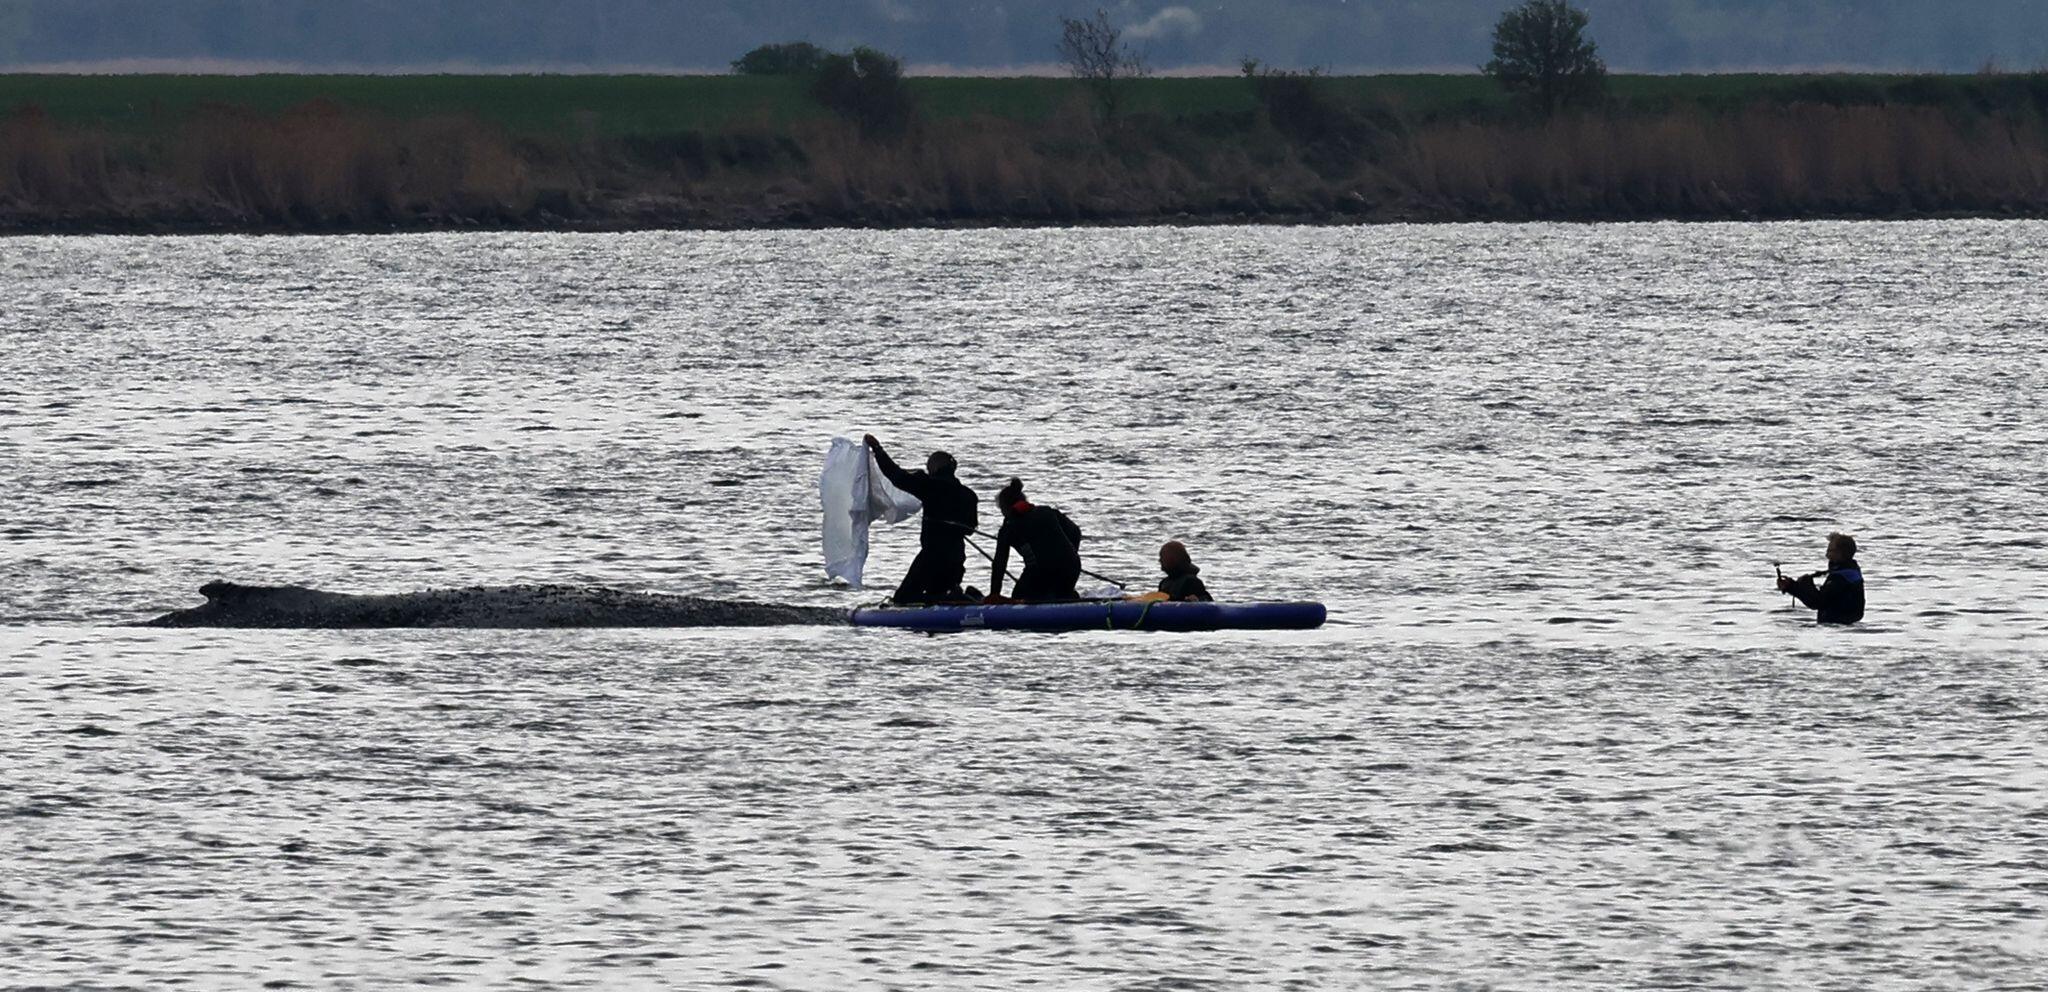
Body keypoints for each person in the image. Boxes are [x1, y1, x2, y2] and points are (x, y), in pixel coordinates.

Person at [864, 434, 977, 605]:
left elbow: (897, 476)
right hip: (956, 558)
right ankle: (955, 597)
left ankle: (955, 598)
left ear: (935, 468)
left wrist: (878, 450)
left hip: (932, 557)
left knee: (902, 599)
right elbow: (970, 529)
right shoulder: (969, 495)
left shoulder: (930, 486)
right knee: (936, 593)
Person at [988, 477, 1084, 602]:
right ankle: (1069, 597)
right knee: (1059, 593)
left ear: (1005, 508)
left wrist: (994, 594)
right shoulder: (1047, 511)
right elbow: (1075, 532)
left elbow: (999, 563)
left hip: (1042, 571)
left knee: (1018, 595)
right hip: (1072, 567)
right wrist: (1069, 554)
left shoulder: (1008, 529)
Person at [1777, 532, 1866, 625]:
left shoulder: (1843, 576)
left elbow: (1818, 602)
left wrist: (1804, 585)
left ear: (1841, 553)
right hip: (1838, 624)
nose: (1827, 555)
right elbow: (1820, 601)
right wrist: (1792, 587)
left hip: (1840, 625)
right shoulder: (1847, 571)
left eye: (1830, 550)